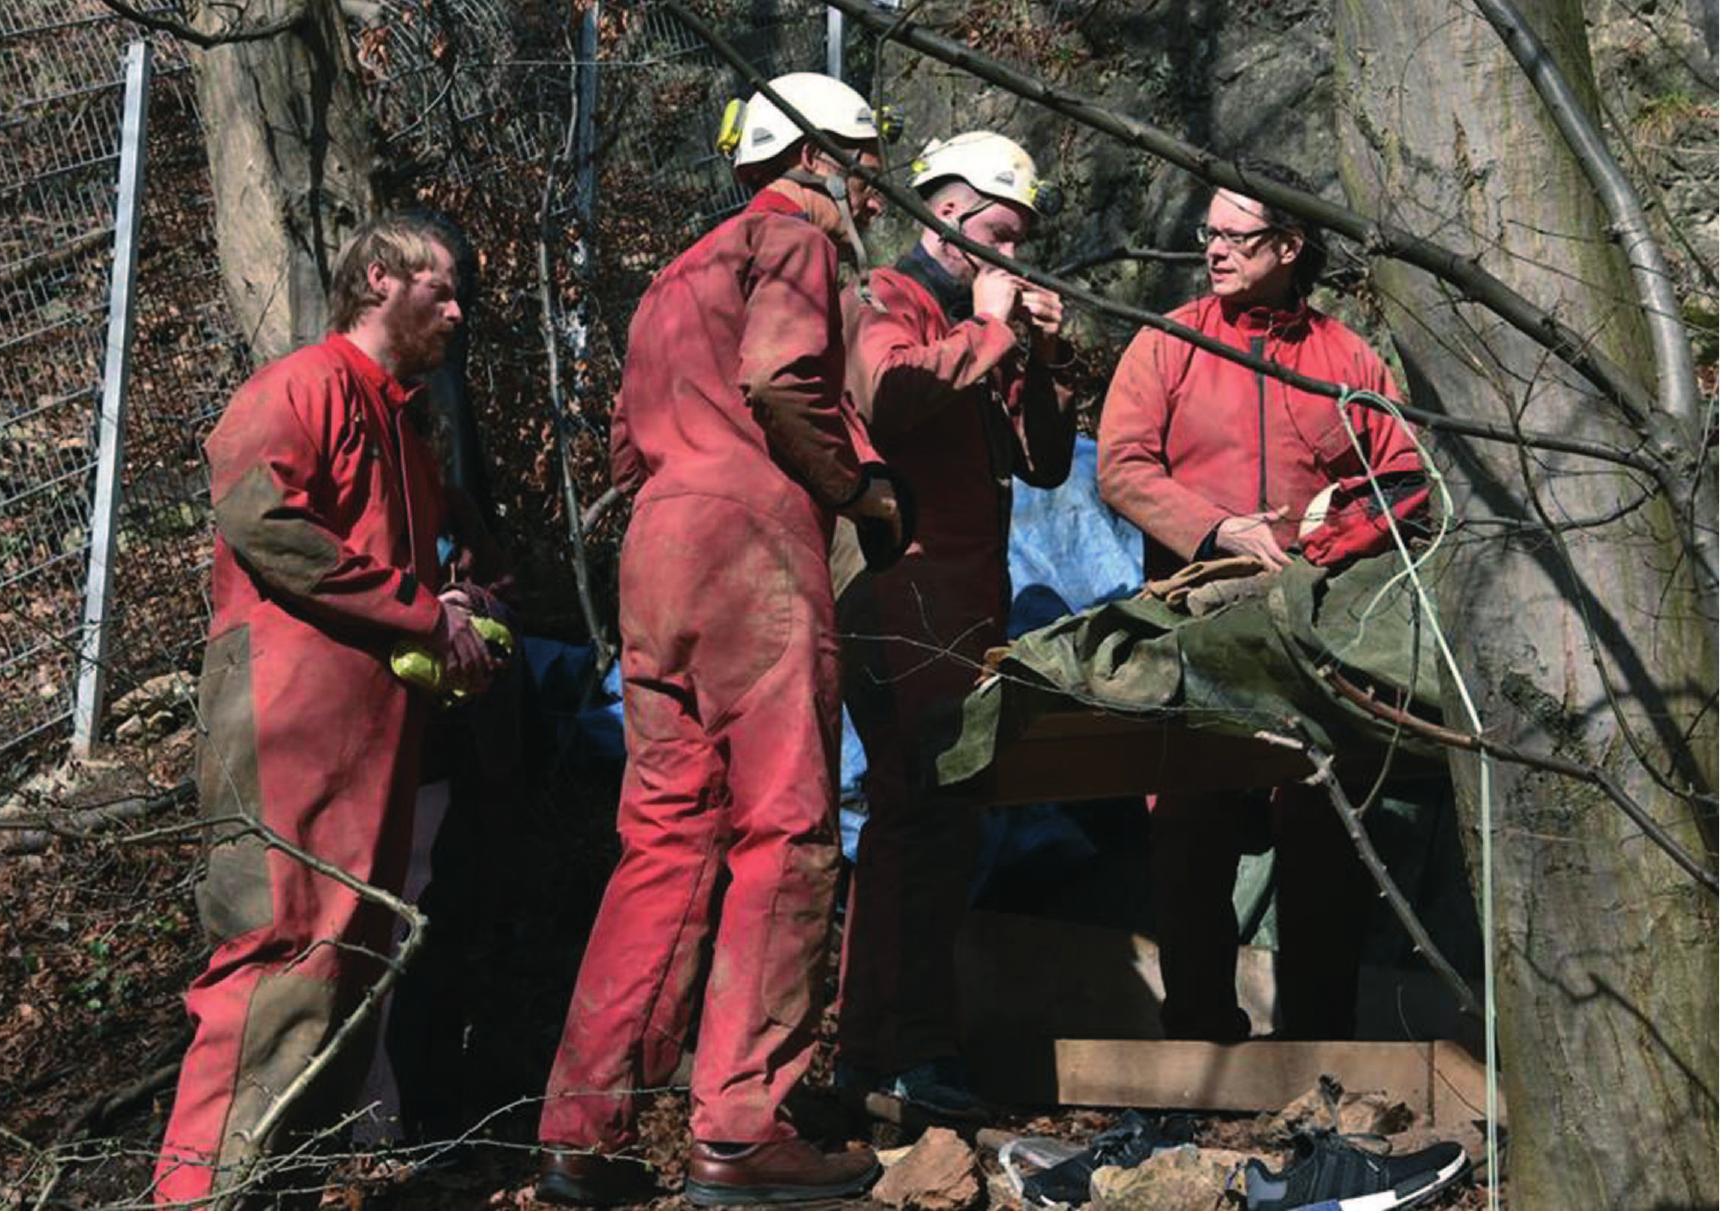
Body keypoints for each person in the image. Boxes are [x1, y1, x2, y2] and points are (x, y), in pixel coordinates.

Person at [535, 72, 906, 1209]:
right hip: (750, 538)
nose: (872, 191)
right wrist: (868, 495)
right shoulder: (792, 239)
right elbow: (783, 379)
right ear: (816, 160)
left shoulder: (673, 272)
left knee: (662, 838)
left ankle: (579, 1134)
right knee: (787, 827)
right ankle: (743, 1127)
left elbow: (620, 442)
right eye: (865, 165)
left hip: (656, 547)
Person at [153, 214, 510, 1205]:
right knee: (279, 952)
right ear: (379, 278)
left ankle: (287, 1186)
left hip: (373, 730)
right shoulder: (299, 386)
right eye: (440, 288)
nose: (456, 309)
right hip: (288, 716)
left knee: (348, 957)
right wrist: (415, 611)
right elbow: (260, 515)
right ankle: (199, 1197)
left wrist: (461, 604)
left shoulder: (405, 418)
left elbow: (432, 562)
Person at [1096, 161, 1427, 1042]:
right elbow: (1121, 467)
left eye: (1237, 237)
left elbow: (1402, 482)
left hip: (1315, 632)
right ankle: (1199, 1033)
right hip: (1191, 618)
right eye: (1208, 233)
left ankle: (1322, 1039)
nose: (1215, 252)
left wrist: (1322, 546)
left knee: (1324, 823)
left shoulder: (1347, 358)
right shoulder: (1165, 341)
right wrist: (1215, 530)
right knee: (1188, 825)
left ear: (1290, 247)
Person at [834, 131, 1076, 1116]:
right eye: (991, 233)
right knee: (913, 815)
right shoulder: (881, 298)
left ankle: (905, 1049)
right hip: (904, 592)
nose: (1005, 257)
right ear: (937, 208)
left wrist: (1048, 355)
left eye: (1018, 241)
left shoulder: (983, 316)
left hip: (965, 603)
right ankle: (890, 1051)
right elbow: (884, 399)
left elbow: (1045, 460)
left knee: (942, 823)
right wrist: (985, 327)